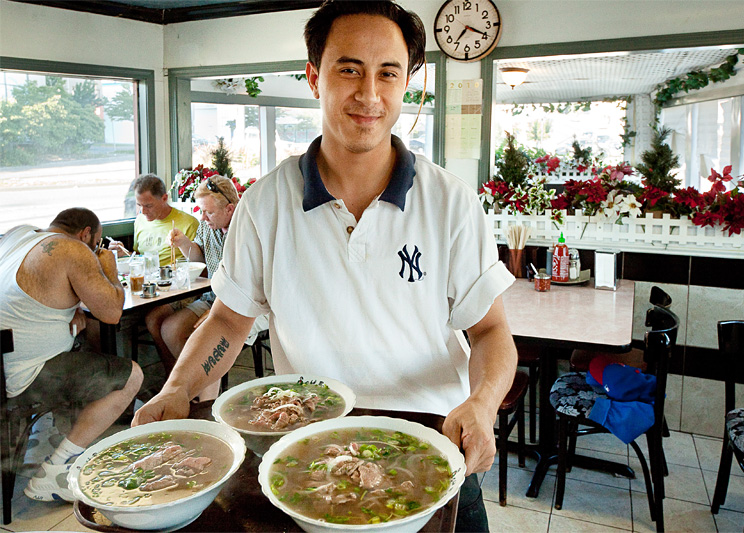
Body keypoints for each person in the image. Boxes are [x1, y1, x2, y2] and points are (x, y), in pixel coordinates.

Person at [133, 2, 516, 530]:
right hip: (308, 448)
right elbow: (228, 320)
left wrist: (483, 402)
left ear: (408, 83)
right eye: (349, 69)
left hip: (435, 440)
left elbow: (491, 329)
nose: (369, 93)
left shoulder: (449, 202)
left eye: (388, 73)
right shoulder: (265, 203)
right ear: (315, 77)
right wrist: (176, 390)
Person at [0, 208, 143, 502]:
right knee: (131, 375)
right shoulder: (74, 249)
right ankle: (54, 472)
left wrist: (73, 306)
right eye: (96, 243)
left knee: (83, 346)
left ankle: (74, 443)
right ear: (86, 234)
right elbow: (112, 313)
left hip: (4, 363)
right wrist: (109, 268)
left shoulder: (19, 234)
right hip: (26, 377)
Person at [143, 175, 268, 401]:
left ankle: (207, 402)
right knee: (169, 329)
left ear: (230, 209)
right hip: (213, 295)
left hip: (248, 303)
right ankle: (193, 389)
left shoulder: (250, 228)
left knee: (207, 335)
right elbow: (199, 258)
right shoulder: (207, 226)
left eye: (208, 212)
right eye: (201, 211)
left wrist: (213, 315)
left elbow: (257, 285)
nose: (202, 217)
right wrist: (183, 244)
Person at [108, 173, 199, 267]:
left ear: (164, 198)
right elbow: (140, 257)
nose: (142, 211)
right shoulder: (140, 221)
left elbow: (199, 264)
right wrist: (123, 254)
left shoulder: (189, 223)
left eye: (148, 206)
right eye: (139, 205)